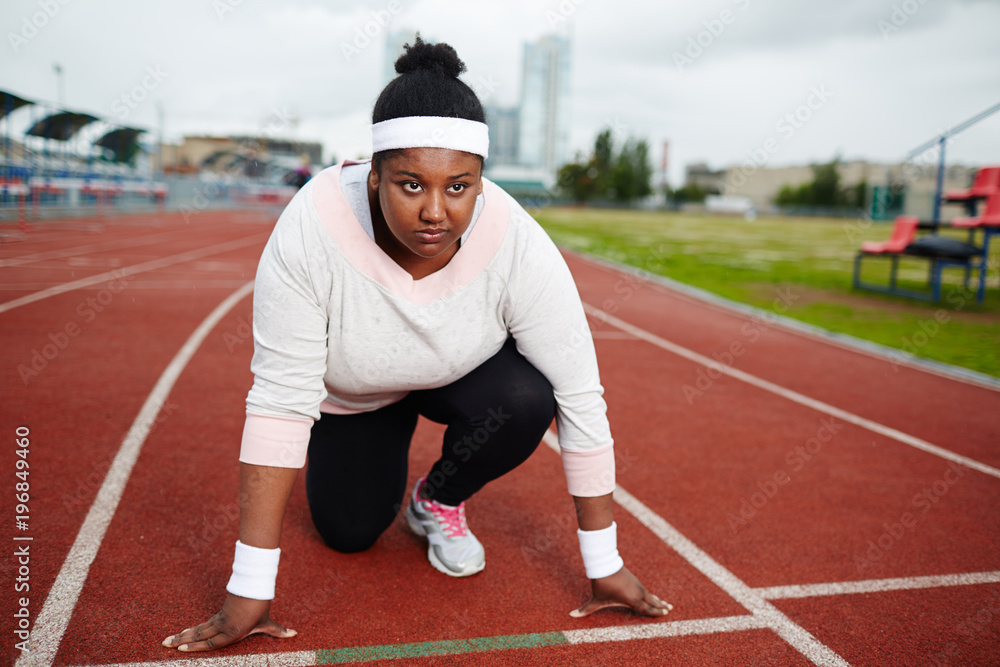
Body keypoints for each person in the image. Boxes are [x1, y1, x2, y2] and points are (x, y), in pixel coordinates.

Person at [163, 36, 672, 654]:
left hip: (460, 374)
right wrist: (250, 587)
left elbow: (581, 397)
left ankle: (437, 500)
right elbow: (279, 400)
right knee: (350, 533)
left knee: (528, 396)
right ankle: (378, 480)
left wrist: (603, 562)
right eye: (410, 185)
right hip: (357, 398)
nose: (436, 212)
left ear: (482, 184)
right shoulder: (311, 226)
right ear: (372, 174)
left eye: (458, 187)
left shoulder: (515, 239)